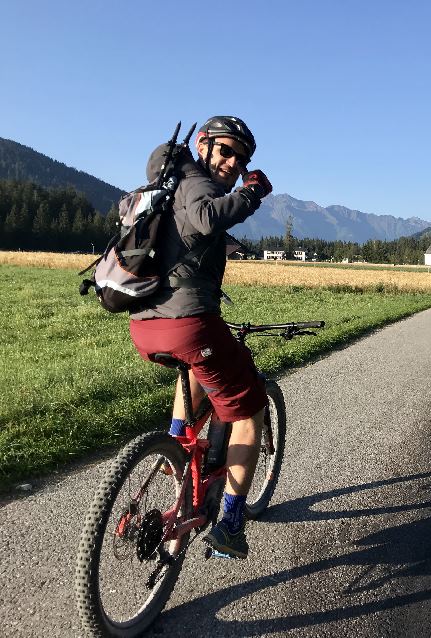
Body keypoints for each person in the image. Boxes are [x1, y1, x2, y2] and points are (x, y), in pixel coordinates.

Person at [128, 116, 273, 559]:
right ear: (202, 144)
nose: (232, 162)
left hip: (146, 321)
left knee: (197, 367)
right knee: (250, 410)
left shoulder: (168, 184)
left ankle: (177, 447)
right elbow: (208, 217)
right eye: (226, 151)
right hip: (189, 321)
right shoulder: (196, 181)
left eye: (241, 158)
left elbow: (190, 232)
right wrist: (251, 192)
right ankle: (230, 524)